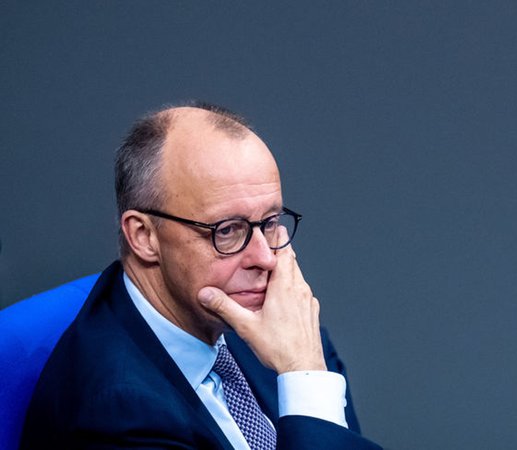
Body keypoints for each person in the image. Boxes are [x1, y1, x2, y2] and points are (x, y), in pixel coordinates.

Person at [21, 103, 381, 449]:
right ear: (144, 237)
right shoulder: (115, 414)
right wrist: (304, 374)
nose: (264, 259)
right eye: (226, 230)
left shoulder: (277, 331)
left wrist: (305, 367)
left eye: (269, 223)